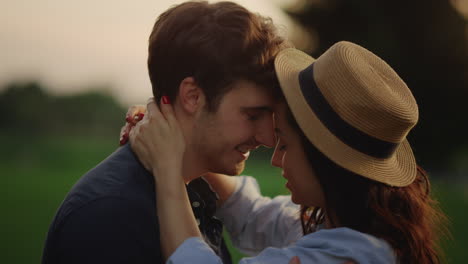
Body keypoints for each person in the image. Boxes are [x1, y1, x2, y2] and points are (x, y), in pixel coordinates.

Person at [129, 41, 448, 263]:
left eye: (285, 143)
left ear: (326, 160)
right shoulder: (350, 224)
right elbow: (252, 215)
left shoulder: (348, 256)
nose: (276, 157)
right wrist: (181, 139)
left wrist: (167, 169)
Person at [41, 2, 288, 263]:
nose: (268, 138)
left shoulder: (193, 194)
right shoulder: (110, 214)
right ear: (192, 96)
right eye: (252, 115)